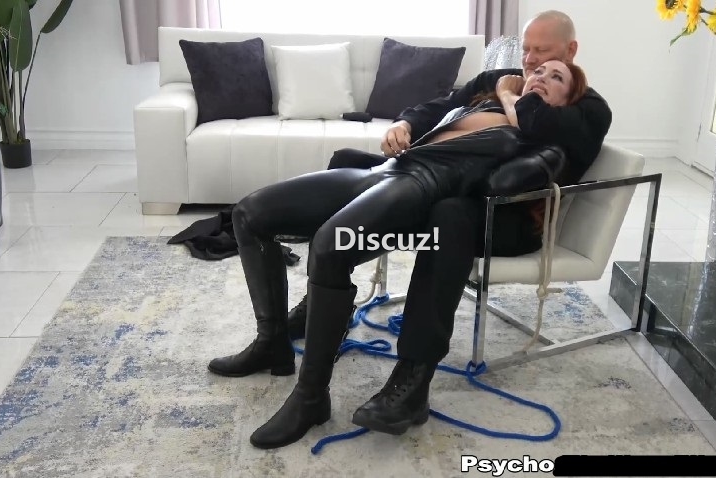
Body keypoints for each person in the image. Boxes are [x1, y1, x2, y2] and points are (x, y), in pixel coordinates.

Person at [211, 60, 588, 450]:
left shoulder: (543, 141)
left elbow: (503, 182)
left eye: (556, 77)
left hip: (419, 186)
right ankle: (272, 342)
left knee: (330, 246)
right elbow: (429, 113)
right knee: (248, 214)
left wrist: (513, 97)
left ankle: (310, 398)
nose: (541, 76)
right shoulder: (482, 106)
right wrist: (405, 127)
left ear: (568, 101)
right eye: (538, 71)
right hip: (384, 171)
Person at [288, 10, 614, 436]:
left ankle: (412, 381)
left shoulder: (587, 106)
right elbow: (439, 106)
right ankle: (322, 298)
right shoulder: (495, 79)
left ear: (571, 50)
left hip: (507, 216)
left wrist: (510, 94)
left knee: (449, 215)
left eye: (543, 51)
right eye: (527, 50)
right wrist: (405, 123)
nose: (531, 60)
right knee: (348, 162)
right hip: (443, 180)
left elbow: (537, 123)